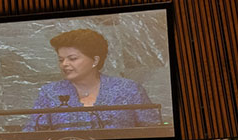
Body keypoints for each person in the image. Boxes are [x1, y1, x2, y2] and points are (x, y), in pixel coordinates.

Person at [24, 29, 161, 132]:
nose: (64, 64)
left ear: (95, 60)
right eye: (61, 59)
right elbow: (31, 133)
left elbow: (154, 131)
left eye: (72, 58)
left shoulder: (129, 89)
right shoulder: (49, 92)